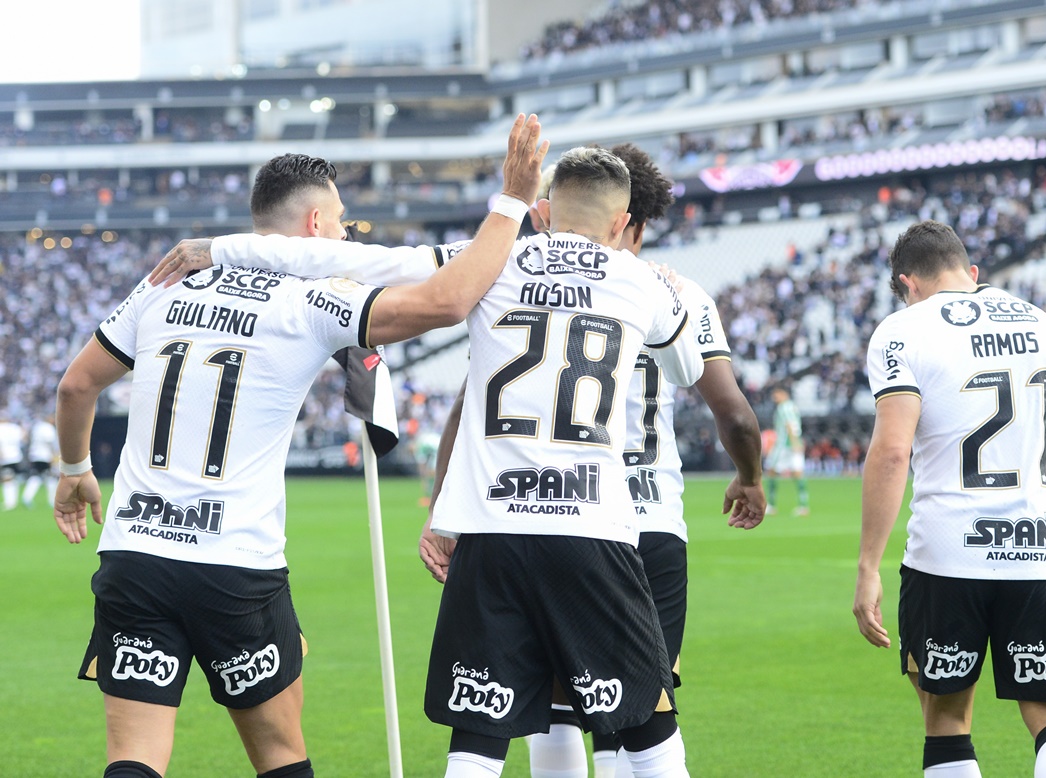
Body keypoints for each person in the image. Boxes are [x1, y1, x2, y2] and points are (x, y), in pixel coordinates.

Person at [146, 146, 727, 777]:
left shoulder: (491, 261)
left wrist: (223, 248)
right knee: (647, 725)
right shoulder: (643, 282)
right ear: (621, 224)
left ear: (543, 210)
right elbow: (688, 367)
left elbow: (346, 257)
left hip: (492, 530)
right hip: (593, 530)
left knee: (479, 739)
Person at [54, 114, 548, 778]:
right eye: (341, 222)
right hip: (234, 562)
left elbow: (76, 385)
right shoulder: (313, 296)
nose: (345, 235)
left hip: (135, 551)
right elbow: (448, 302)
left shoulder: (166, 279)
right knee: (281, 756)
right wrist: (513, 201)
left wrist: (76, 469)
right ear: (315, 227)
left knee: (135, 757)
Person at [515, 142, 766, 778]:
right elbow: (734, 414)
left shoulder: (529, 281)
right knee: (644, 710)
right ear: (636, 220)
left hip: (557, 510)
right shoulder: (678, 294)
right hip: (650, 518)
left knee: (557, 704)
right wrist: (750, 478)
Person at [853, 220, 1046, 778]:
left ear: (908, 284)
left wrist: (868, 566)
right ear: (971, 274)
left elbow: (892, 453)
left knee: (947, 720)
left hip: (945, 556)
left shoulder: (901, 331)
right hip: (1041, 553)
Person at [763, 384, 809, 516]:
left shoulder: (784, 408)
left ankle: (771, 505)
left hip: (784, 445)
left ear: (784, 394)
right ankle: (803, 506)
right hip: (794, 443)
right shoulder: (792, 406)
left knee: (771, 471)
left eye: (776, 394)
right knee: (798, 473)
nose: (774, 397)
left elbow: (789, 425)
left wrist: (794, 443)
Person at [22, 415, 58, 509]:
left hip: (34, 455)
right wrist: (54, 456)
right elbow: (51, 443)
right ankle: (52, 500)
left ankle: (27, 497)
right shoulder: (48, 428)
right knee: (50, 478)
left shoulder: (37, 427)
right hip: (45, 456)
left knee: (38, 476)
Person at [0, 417, 23, 511]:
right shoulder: (15, 428)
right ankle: (13, 501)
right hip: (17, 456)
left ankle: (9, 502)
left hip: (5, 457)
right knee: (14, 480)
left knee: (7, 480)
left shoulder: (1, 428)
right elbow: (23, 438)